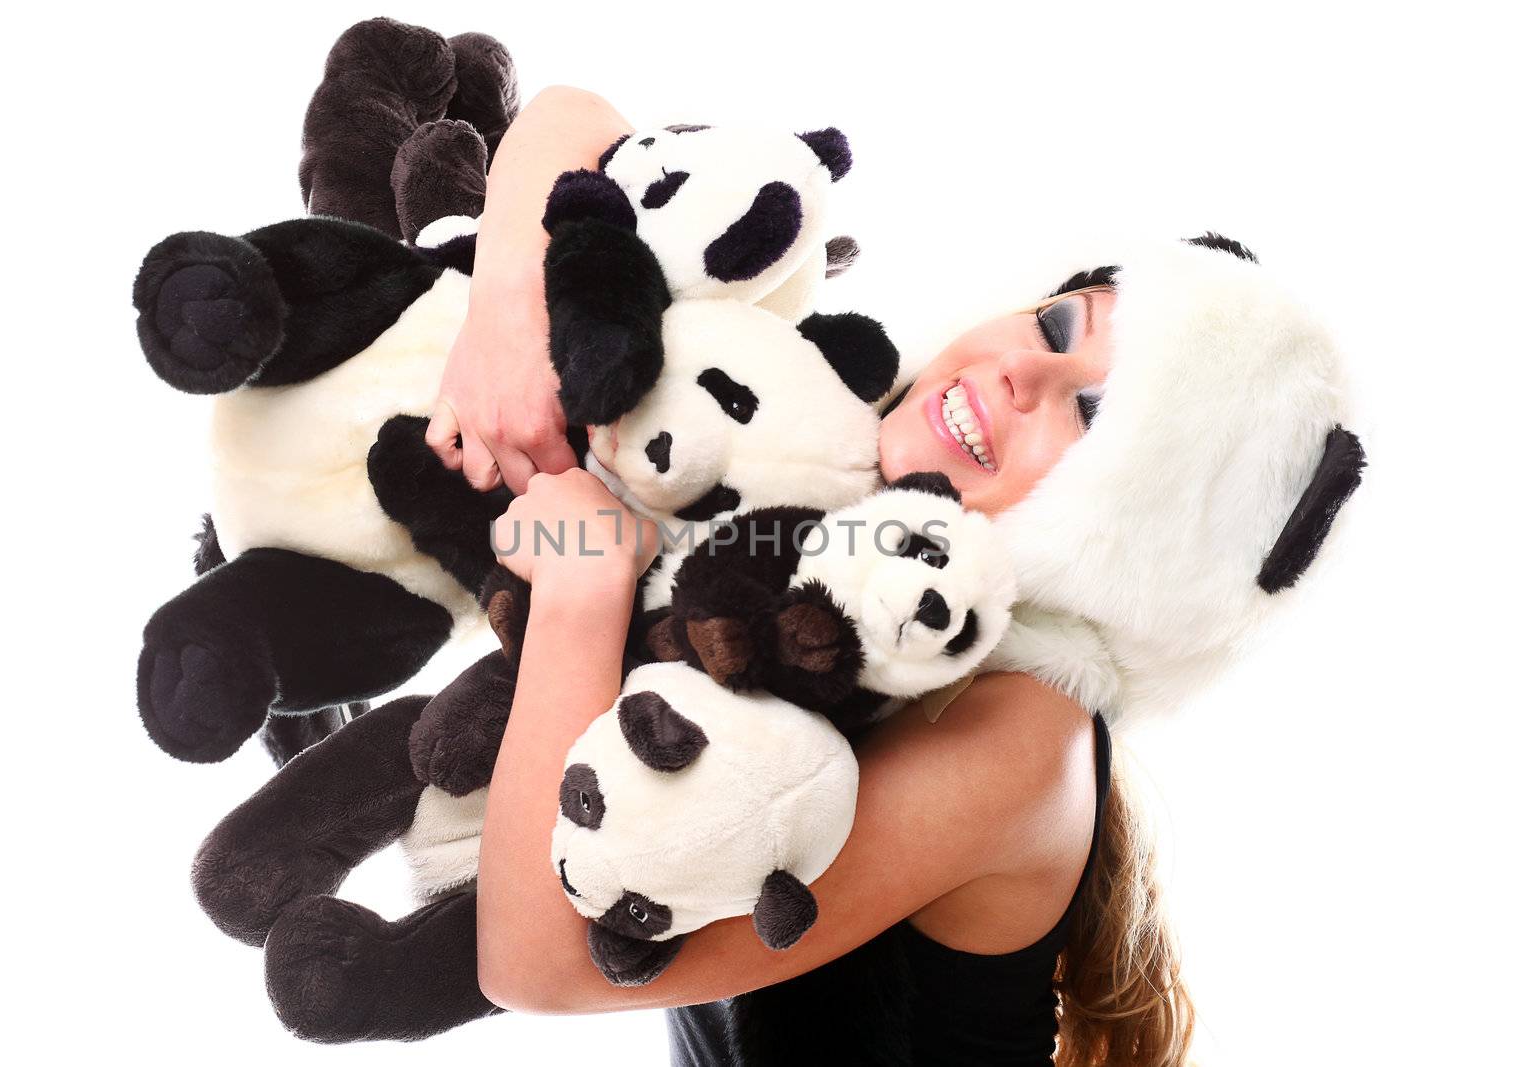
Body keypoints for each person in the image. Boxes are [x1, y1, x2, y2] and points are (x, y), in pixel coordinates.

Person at [448, 89, 1363, 1066]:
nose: (1024, 373)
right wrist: (502, 309)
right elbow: (573, 117)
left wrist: (585, 590)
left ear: (1130, 541)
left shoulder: (1020, 732)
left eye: (1092, 416)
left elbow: (541, 963)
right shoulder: (814, 478)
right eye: (1058, 327)